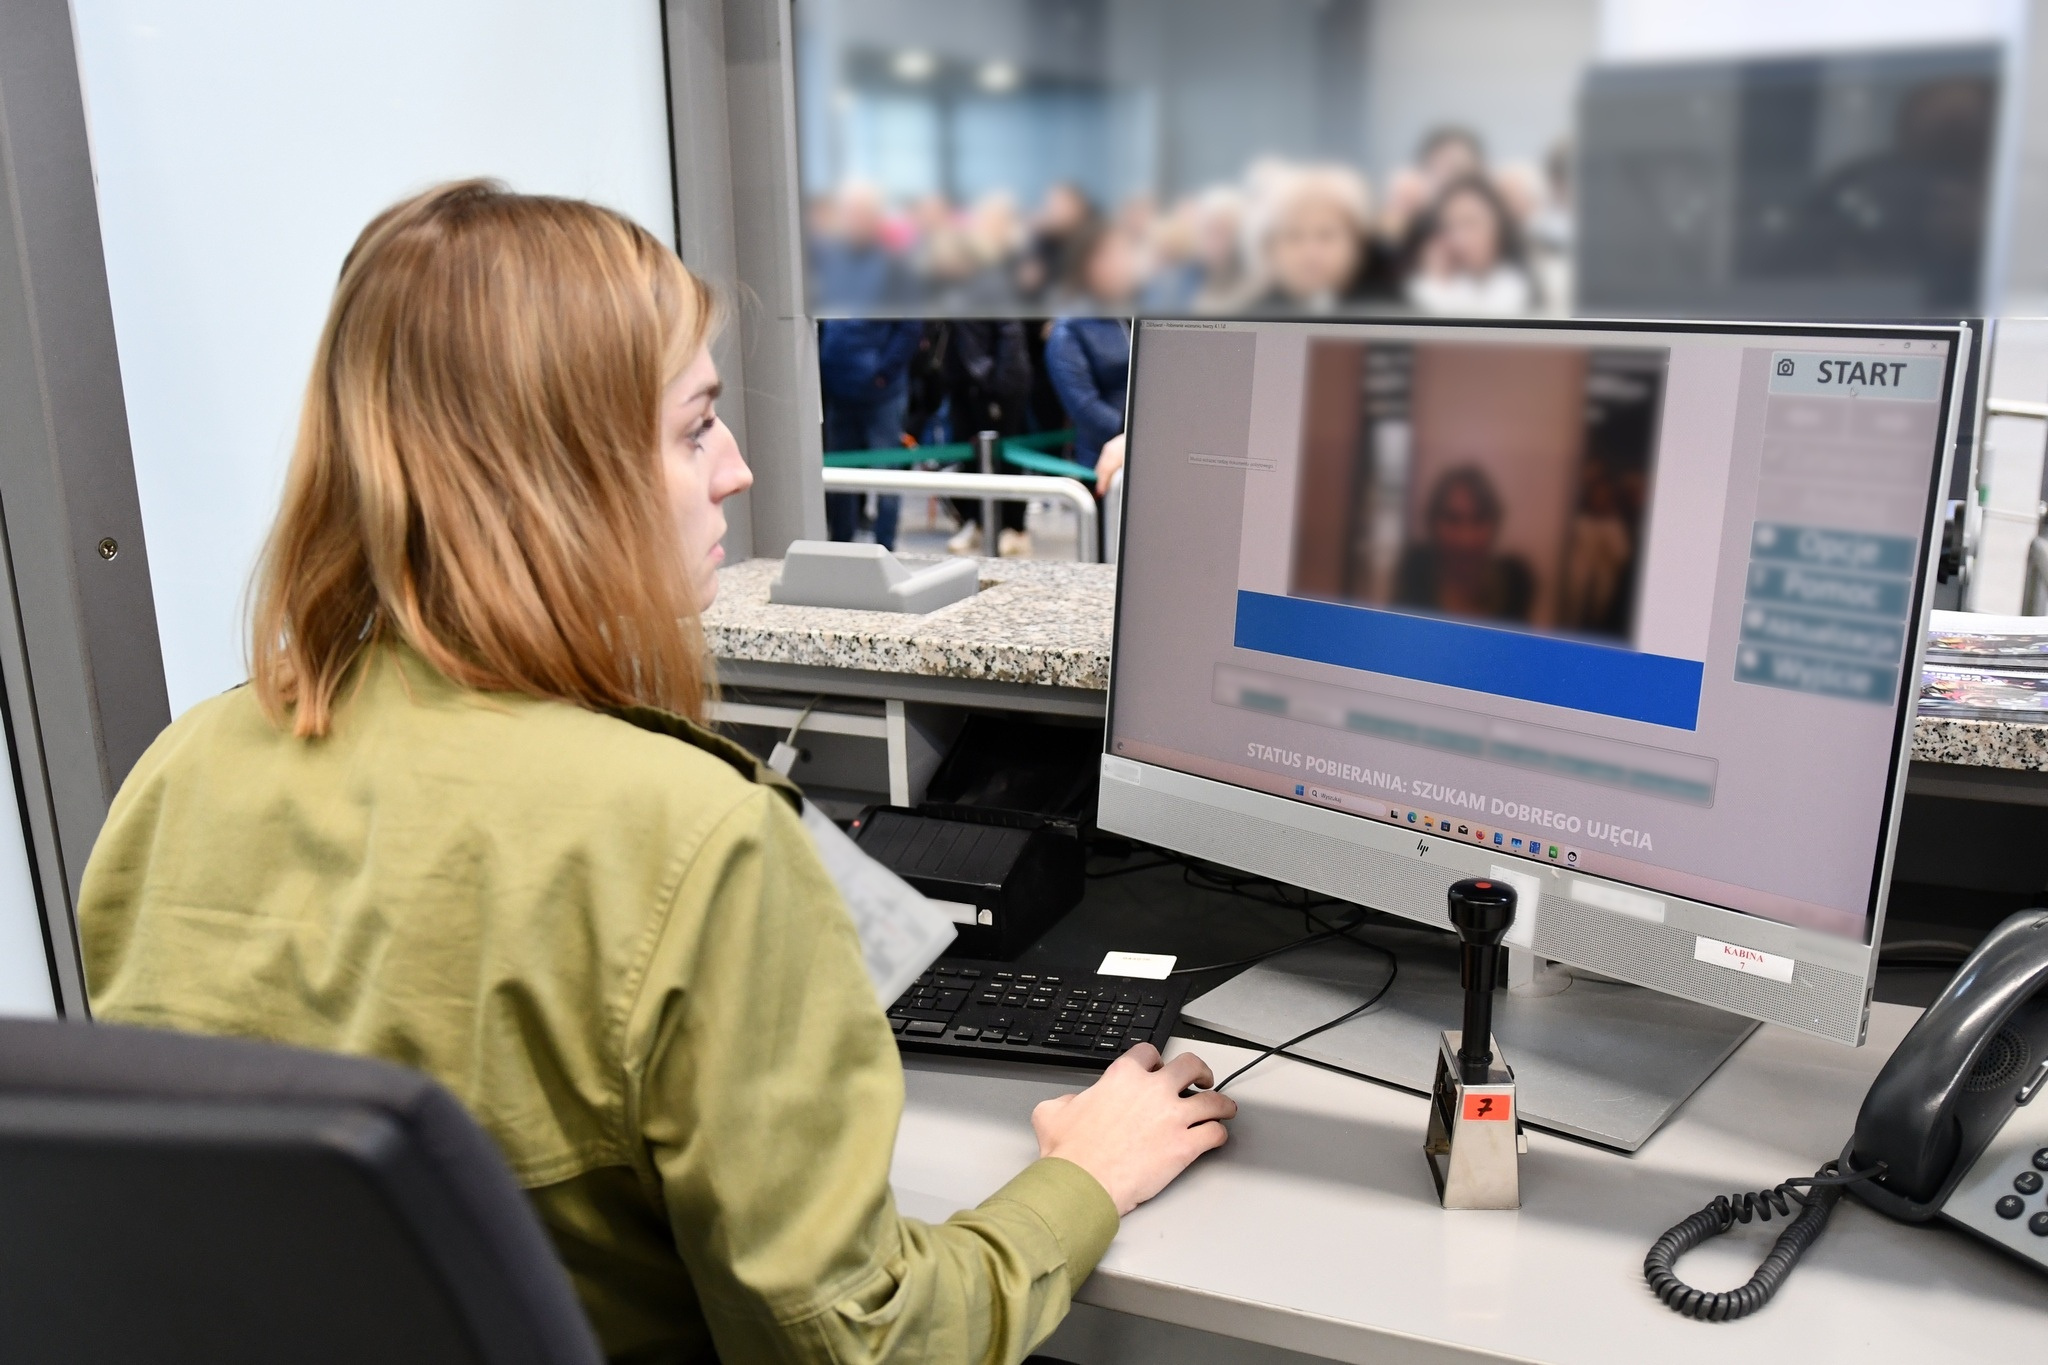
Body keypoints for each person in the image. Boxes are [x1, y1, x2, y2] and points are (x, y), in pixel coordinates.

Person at [76, 181, 1235, 1365]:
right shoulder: (697, 839)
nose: (735, 471)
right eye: (693, 428)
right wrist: (1082, 1179)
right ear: (550, 477)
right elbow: (857, 1341)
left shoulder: (180, 775)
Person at [818, 318, 921, 548]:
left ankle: (885, 546)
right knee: (840, 476)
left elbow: (910, 327)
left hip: (882, 394)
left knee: (886, 474)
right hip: (839, 393)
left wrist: (884, 372)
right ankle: (840, 545)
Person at [1045, 224, 1135, 475]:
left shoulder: (1125, 316)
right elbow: (1084, 407)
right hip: (1102, 460)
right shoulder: (1067, 330)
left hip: (1139, 444)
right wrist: (1134, 434)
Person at [1395, 466, 1533, 624]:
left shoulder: (1514, 585)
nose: (1466, 540)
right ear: (1433, 523)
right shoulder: (1415, 576)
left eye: (1479, 519)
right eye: (1452, 519)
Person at [1249, 164, 1394, 313]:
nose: (1310, 253)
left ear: (1358, 245)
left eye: (1325, 235)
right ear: (1270, 248)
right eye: (1294, 236)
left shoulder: (1391, 312)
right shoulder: (1251, 317)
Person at [1402, 174, 1534, 316]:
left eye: (1470, 223)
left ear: (1499, 227)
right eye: (1450, 227)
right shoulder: (1426, 285)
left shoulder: (1519, 286)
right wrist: (1436, 282)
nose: (1459, 240)